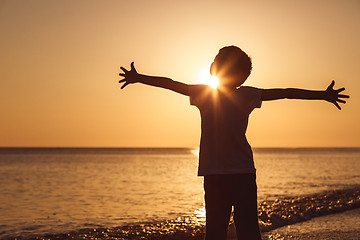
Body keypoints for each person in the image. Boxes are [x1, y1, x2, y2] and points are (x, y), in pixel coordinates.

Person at [118, 46, 349, 240]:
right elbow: (169, 83)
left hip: (234, 173)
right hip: (224, 173)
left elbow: (286, 92)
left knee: (243, 229)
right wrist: (139, 78)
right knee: (220, 231)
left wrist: (322, 95)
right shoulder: (210, 93)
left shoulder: (237, 94)